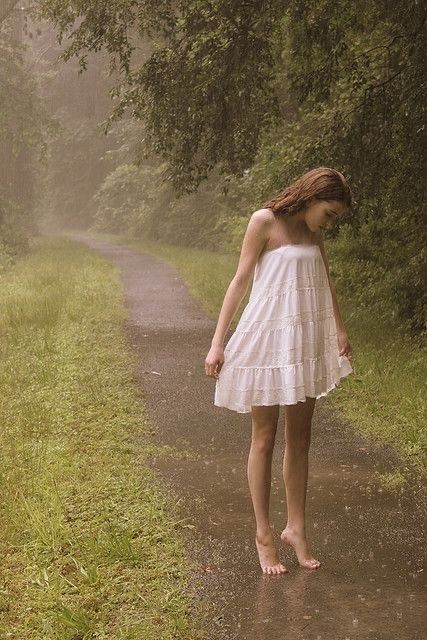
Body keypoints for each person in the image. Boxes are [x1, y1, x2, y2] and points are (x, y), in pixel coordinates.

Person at [205, 167, 354, 576]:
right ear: (310, 198)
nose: (330, 221)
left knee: (301, 438)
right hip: (266, 341)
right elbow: (239, 281)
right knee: (265, 438)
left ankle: (297, 529)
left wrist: (338, 328)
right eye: (329, 213)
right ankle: (264, 535)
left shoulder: (313, 231)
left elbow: (324, 279)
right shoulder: (264, 222)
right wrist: (218, 342)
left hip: (303, 343)